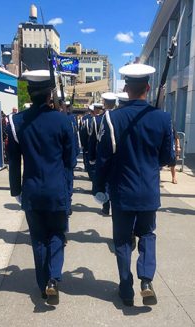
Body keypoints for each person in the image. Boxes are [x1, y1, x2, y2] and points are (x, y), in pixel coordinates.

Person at [95, 63, 175, 307]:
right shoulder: (162, 118)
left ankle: (126, 288)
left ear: (126, 88)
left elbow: (103, 158)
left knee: (122, 240)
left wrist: (99, 188)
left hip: (122, 192)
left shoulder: (111, 118)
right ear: (148, 88)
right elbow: (167, 158)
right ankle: (146, 280)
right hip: (149, 191)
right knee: (147, 235)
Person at [7, 69, 76, 305]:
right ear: (50, 93)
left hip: (32, 190)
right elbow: (71, 160)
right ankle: (53, 279)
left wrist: (16, 190)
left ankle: (42, 283)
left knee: (38, 237)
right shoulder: (64, 120)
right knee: (57, 234)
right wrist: (69, 189)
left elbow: (14, 160)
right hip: (57, 190)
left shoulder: (16, 122)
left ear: (30, 92)